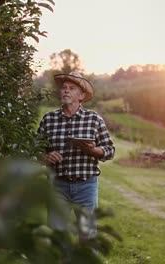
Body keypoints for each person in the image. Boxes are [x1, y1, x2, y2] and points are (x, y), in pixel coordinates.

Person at [37, 72, 115, 241]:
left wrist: (93, 151)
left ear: (82, 95)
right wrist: (45, 157)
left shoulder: (94, 119)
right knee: (56, 235)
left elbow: (110, 150)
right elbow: (35, 150)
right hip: (58, 185)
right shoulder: (48, 119)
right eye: (64, 88)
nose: (66, 91)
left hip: (86, 186)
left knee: (86, 235)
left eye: (72, 88)